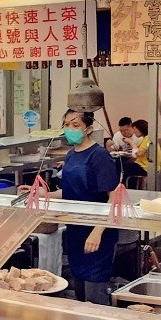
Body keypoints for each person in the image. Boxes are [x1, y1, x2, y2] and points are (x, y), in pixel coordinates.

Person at [54, 109, 119, 304]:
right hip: (75, 232)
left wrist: (97, 232)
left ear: (89, 128)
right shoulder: (71, 155)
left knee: (94, 295)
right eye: (66, 125)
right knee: (79, 294)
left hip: (98, 235)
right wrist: (42, 194)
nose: (69, 130)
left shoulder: (99, 156)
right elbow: (70, 191)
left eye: (75, 126)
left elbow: (116, 199)